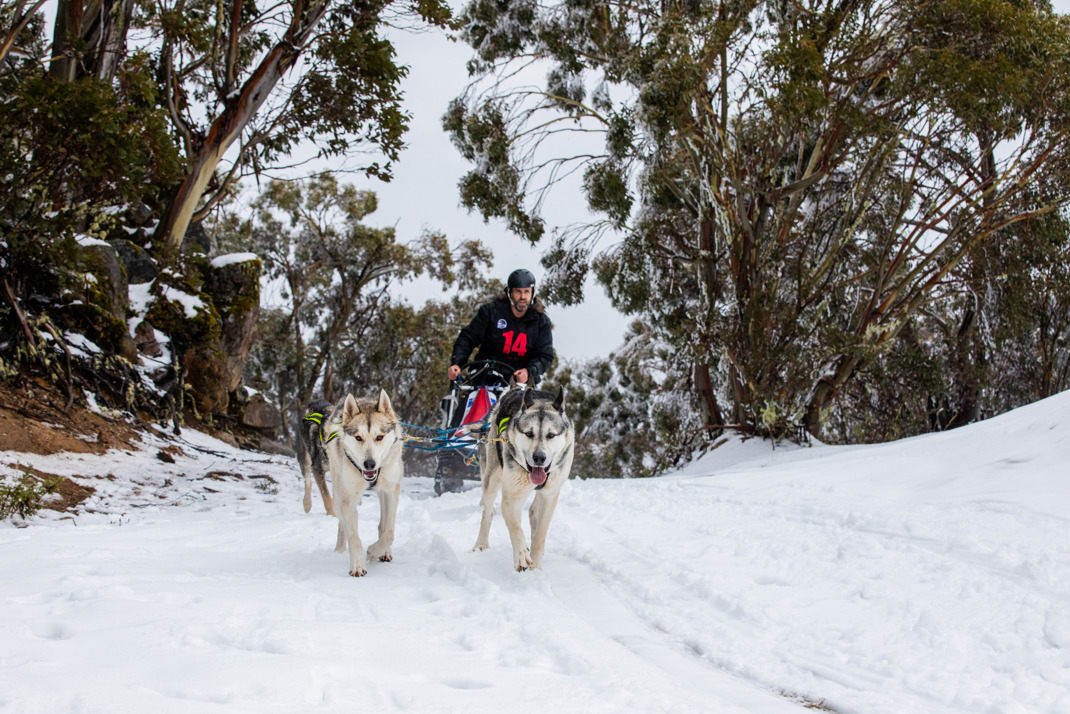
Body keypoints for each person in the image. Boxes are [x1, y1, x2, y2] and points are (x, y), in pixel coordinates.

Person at [448, 268, 554, 386]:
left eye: (527, 291)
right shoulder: (491, 312)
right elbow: (468, 338)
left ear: (533, 293)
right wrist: (456, 363)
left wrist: (529, 372)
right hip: (483, 378)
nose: (523, 296)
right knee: (466, 403)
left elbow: (545, 356)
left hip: (519, 385)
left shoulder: (541, 322)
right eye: (518, 291)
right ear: (509, 292)